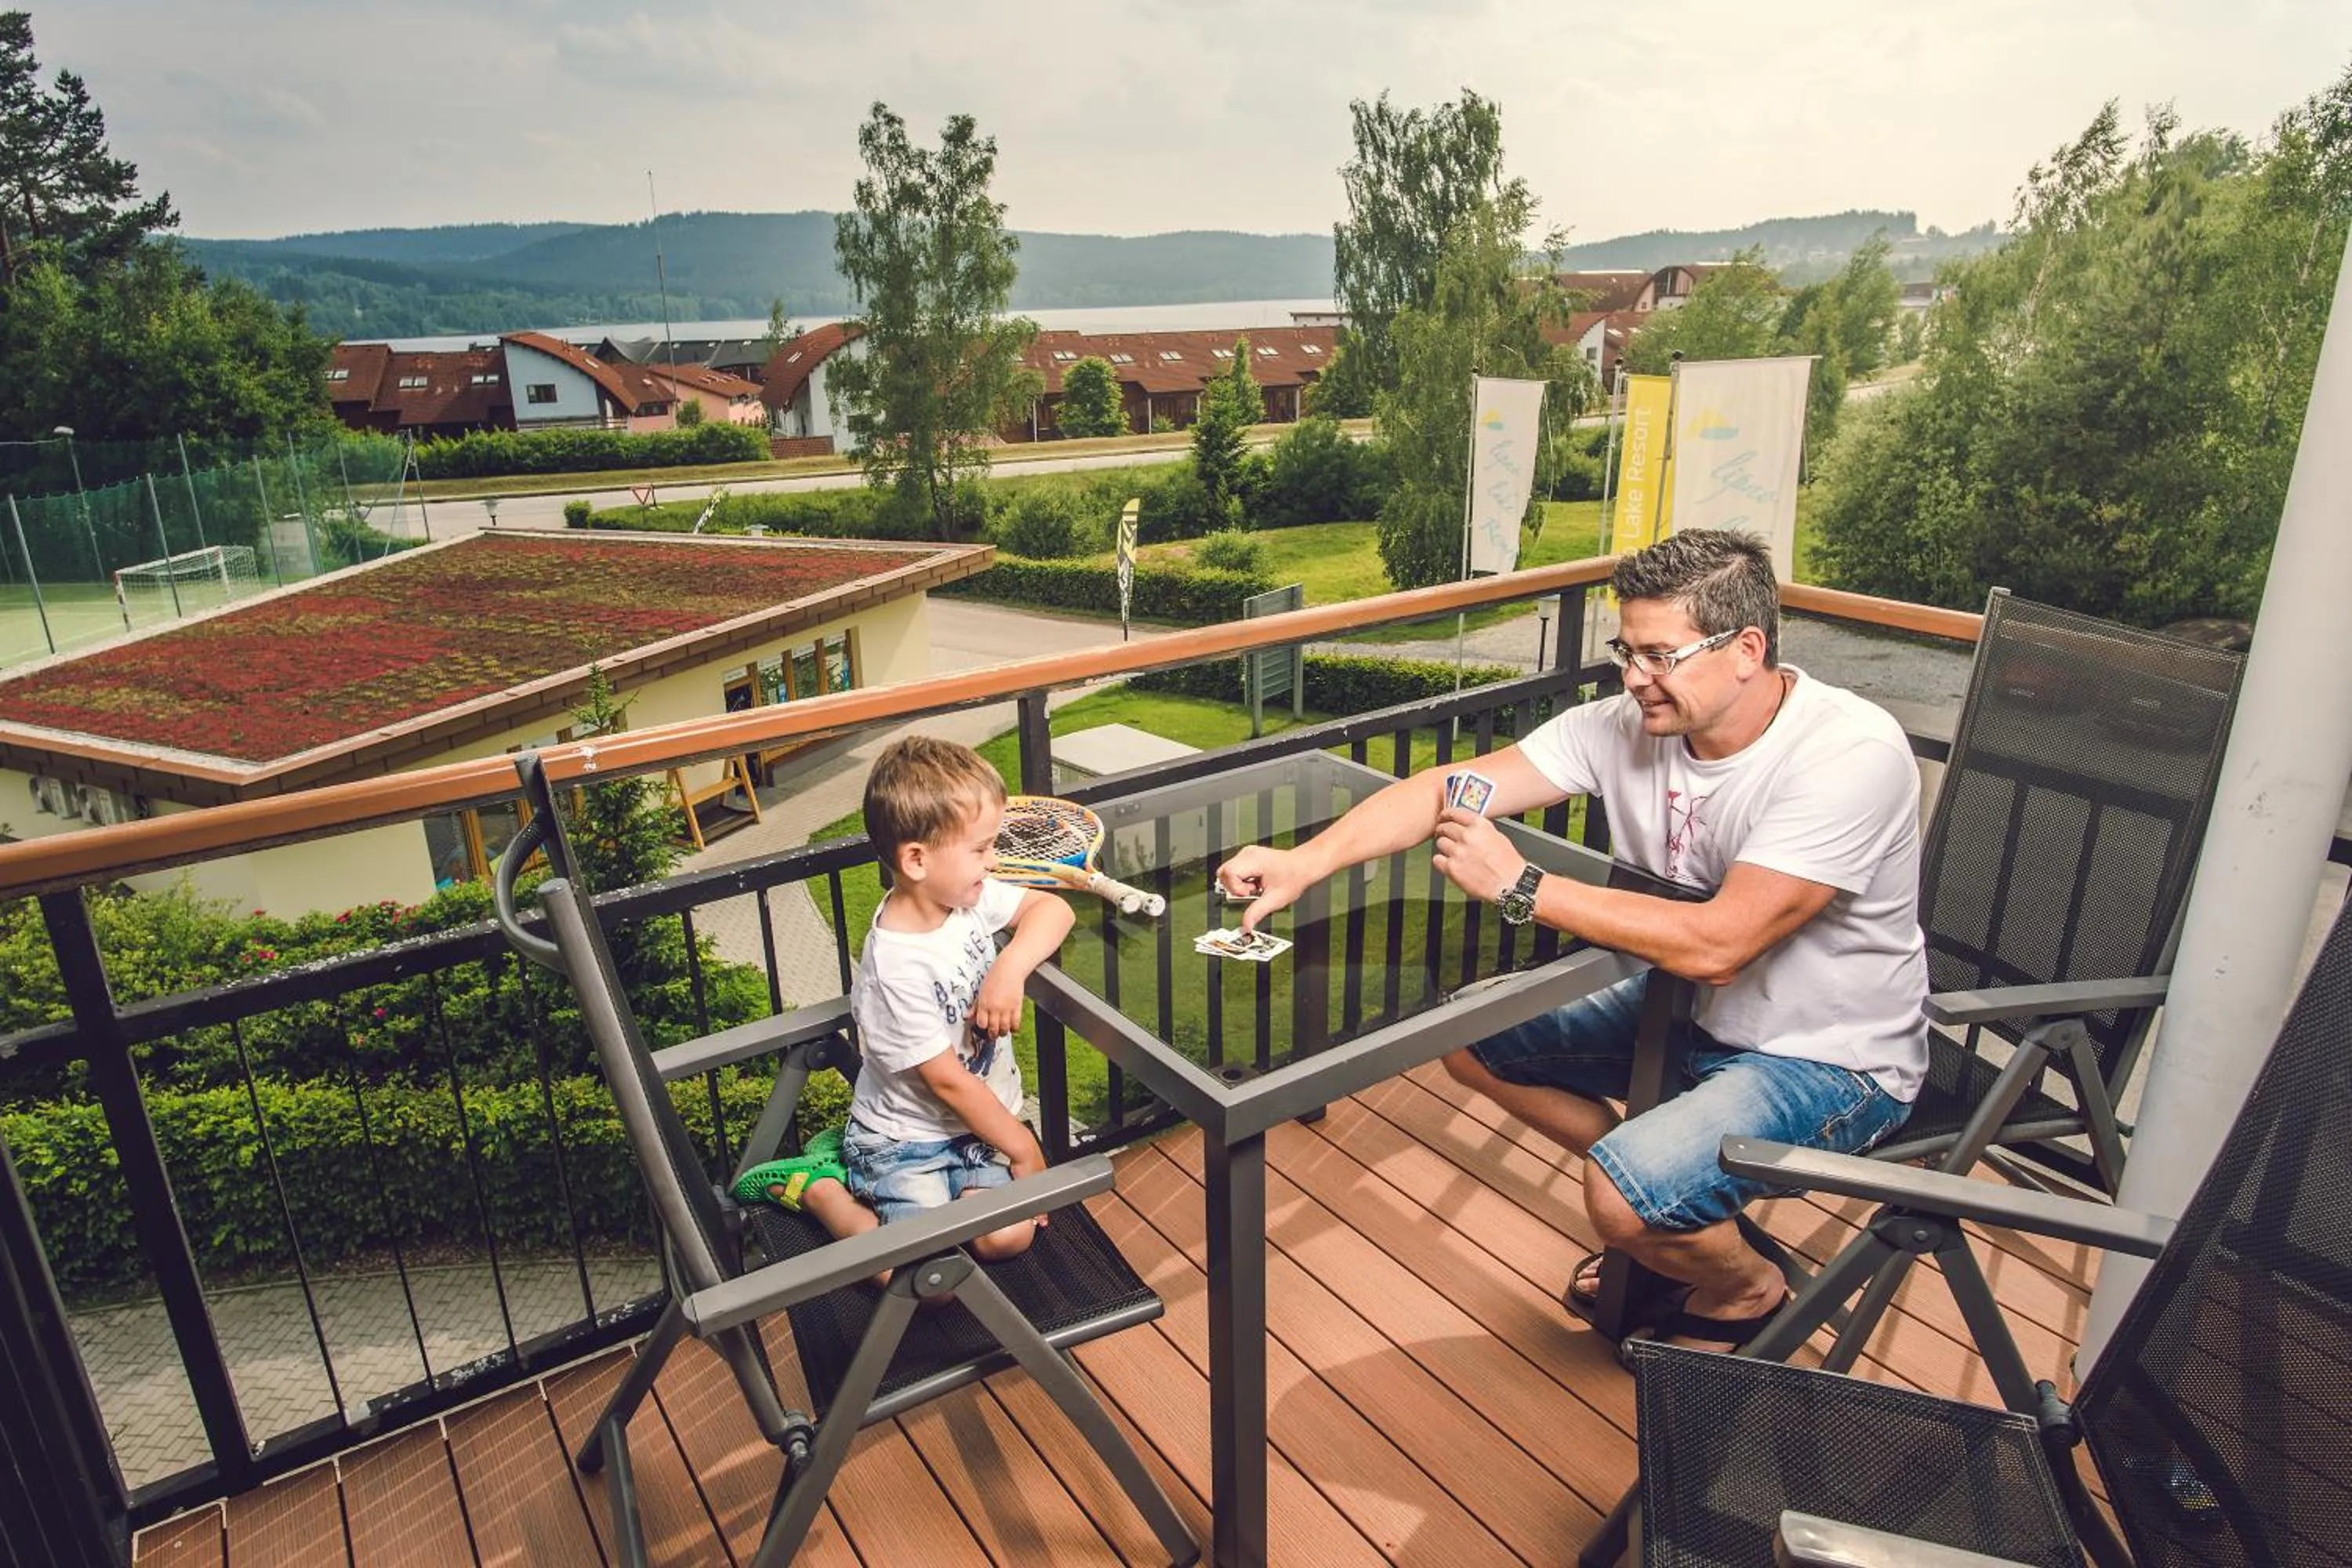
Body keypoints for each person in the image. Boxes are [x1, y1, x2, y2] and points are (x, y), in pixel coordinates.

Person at [1218, 529, 1927, 1349]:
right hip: (1686, 1008)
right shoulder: (1624, 725)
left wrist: (1523, 886)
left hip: (1828, 1056)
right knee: (1471, 1037)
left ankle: (1745, 1284)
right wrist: (1305, 862)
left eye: (1660, 656)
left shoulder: (1848, 755)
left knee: (1620, 1199)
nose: (1634, 678)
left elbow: (1719, 945)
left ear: (1746, 650)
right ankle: (1665, 1199)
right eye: (1628, 651)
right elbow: (1447, 788)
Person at [732, 734, 1073, 1266]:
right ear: (916, 860)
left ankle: (932, 1201)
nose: (993, 862)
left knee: (1007, 1239)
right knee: (917, 1275)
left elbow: (1054, 911)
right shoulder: (895, 966)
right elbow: (948, 1082)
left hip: (976, 1131)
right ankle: (821, 1189)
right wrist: (1026, 1151)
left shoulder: (964, 899)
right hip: (904, 1143)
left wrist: (1008, 970)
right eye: (980, 849)